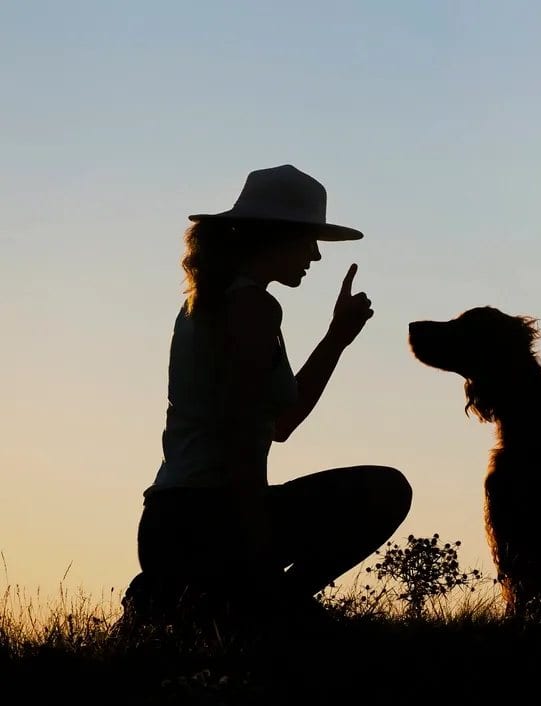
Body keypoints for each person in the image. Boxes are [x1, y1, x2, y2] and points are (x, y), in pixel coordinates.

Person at [124, 164, 412, 636]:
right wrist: (255, 550)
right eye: (307, 240)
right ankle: (254, 601)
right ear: (273, 237)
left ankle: (198, 596)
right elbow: (242, 438)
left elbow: (279, 424)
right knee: (385, 491)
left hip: (176, 521)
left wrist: (336, 338)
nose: (316, 256)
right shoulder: (252, 307)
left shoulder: (215, 302)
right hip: (211, 517)